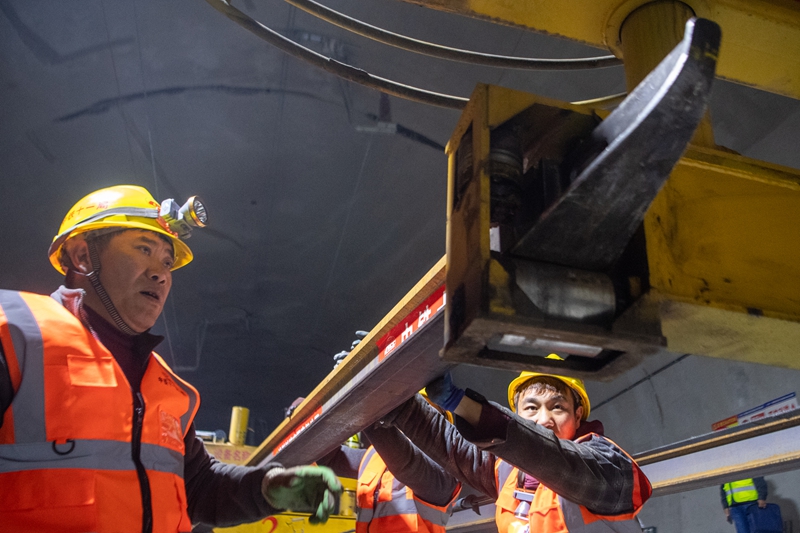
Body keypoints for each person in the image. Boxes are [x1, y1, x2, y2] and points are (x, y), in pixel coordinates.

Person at [0, 185, 341, 533]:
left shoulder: (164, 384)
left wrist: (265, 488)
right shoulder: (14, 331)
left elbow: (196, 486)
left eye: (166, 262)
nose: (160, 273)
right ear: (82, 256)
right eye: (143, 249)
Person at [378, 364, 652, 533]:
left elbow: (552, 458)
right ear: (516, 414)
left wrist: (461, 403)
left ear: (578, 416)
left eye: (557, 407)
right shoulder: (506, 471)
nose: (544, 420)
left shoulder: (606, 467)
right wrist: (392, 394)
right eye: (531, 408)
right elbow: (450, 445)